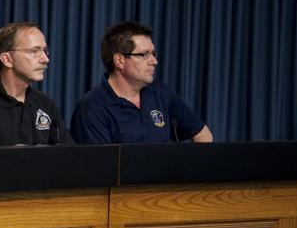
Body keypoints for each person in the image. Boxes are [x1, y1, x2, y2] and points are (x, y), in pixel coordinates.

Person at [70, 21, 212, 144]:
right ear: (119, 60)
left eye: (153, 54)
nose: (154, 61)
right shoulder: (92, 107)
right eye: (144, 55)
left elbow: (204, 136)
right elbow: (99, 168)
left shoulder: (161, 92)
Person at [0, 22, 71, 146]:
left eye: (45, 51)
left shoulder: (46, 104)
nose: (45, 59)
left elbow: (68, 155)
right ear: (7, 59)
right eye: (34, 51)